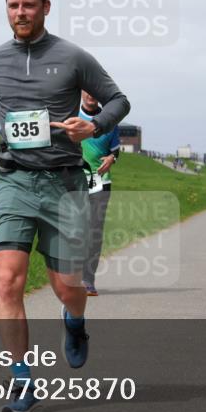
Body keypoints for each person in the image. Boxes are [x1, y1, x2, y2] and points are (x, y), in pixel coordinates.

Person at [0, 0, 130, 412]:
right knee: (8, 279)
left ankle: (74, 322)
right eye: (13, 5)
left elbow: (117, 101)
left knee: (67, 287)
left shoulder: (73, 57)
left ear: (45, 7)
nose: (20, 12)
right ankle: (22, 382)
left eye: (28, 4)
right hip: (13, 179)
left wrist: (94, 125)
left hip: (64, 182)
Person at [79, 90, 120, 297]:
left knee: (94, 231)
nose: (91, 95)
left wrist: (112, 158)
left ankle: (87, 279)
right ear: (81, 92)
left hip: (100, 182)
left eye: (95, 91)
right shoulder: (71, 114)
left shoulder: (109, 121)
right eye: (87, 91)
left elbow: (116, 150)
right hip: (74, 180)